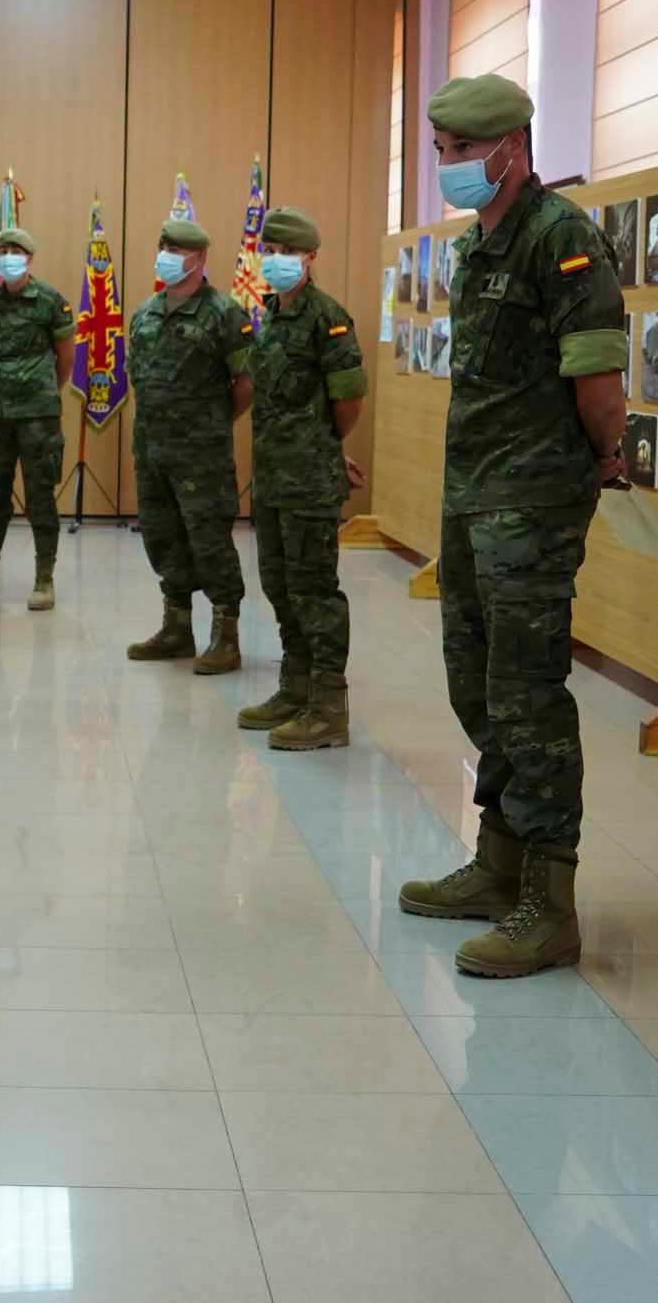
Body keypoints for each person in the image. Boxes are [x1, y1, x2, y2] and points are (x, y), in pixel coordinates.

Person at [396, 74, 627, 979]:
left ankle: (549, 901)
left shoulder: (559, 236)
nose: (448, 163)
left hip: (531, 505)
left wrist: (602, 456)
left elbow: (597, 379)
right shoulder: (477, 247)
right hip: (474, 495)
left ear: (513, 149)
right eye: (441, 150)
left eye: (462, 150)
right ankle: (498, 862)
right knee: (476, 681)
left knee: (528, 693)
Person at [241, 206, 368, 749]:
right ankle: (295, 688)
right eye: (270, 251)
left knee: (314, 590)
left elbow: (348, 400)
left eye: (288, 252)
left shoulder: (328, 318)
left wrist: (325, 447)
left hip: (309, 481)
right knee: (278, 585)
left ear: (311, 257)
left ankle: (328, 706)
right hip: (272, 477)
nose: (277, 260)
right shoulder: (270, 316)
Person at [125, 216, 252, 674]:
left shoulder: (223, 313)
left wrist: (212, 422)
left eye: (176, 251)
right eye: (164, 248)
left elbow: (246, 382)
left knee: (209, 539)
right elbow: (137, 377)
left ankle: (226, 635)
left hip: (202, 455)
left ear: (199, 257)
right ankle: (177, 628)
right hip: (152, 451)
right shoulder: (145, 313)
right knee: (162, 537)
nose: (167, 257)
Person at [0, 223, 74, 611]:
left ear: (29, 258)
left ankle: (44, 579)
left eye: (16, 252)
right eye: (4, 251)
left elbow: (66, 359)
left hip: (38, 415)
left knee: (40, 496)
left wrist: (40, 390)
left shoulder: (50, 301)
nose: (9, 258)